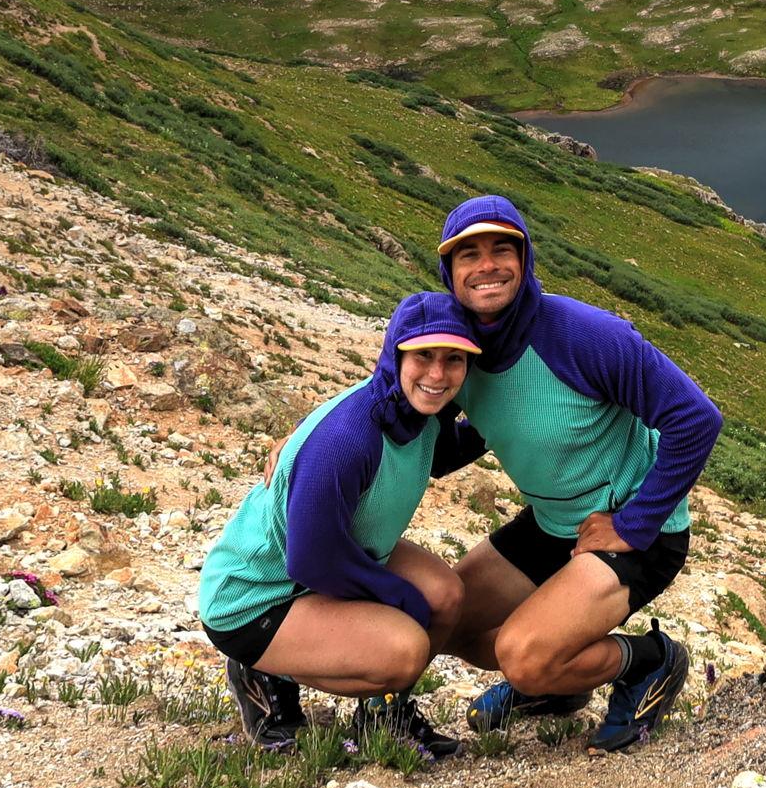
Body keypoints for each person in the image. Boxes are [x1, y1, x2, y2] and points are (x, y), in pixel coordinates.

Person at [436, 194, 722, 752]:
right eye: (469, 254)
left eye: (503, 249)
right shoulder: (458, 347)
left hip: (634, 529)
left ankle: (648, 662)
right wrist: (311, 441)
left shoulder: (579, 335)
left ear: (526, 259)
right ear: (449, 271)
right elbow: (469, 432)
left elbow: (696, 418)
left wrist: (635, 524)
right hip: (553, 521)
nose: (487, 265)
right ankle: (556, 688)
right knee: (446, 621)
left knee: (522, 654)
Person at [197, 291, 484, 758]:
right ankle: (261, 668)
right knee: (405, 646)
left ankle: (384, 716)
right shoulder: (349, 438)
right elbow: (312, 560)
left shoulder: (416, 410)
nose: (437, 374)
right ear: (395, 354)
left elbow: (440, 455)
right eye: (423, 356)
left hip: (336, 554)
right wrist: (397, 597)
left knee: (445, 594)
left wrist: (508, 427)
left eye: (454, 359)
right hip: (258, 594)